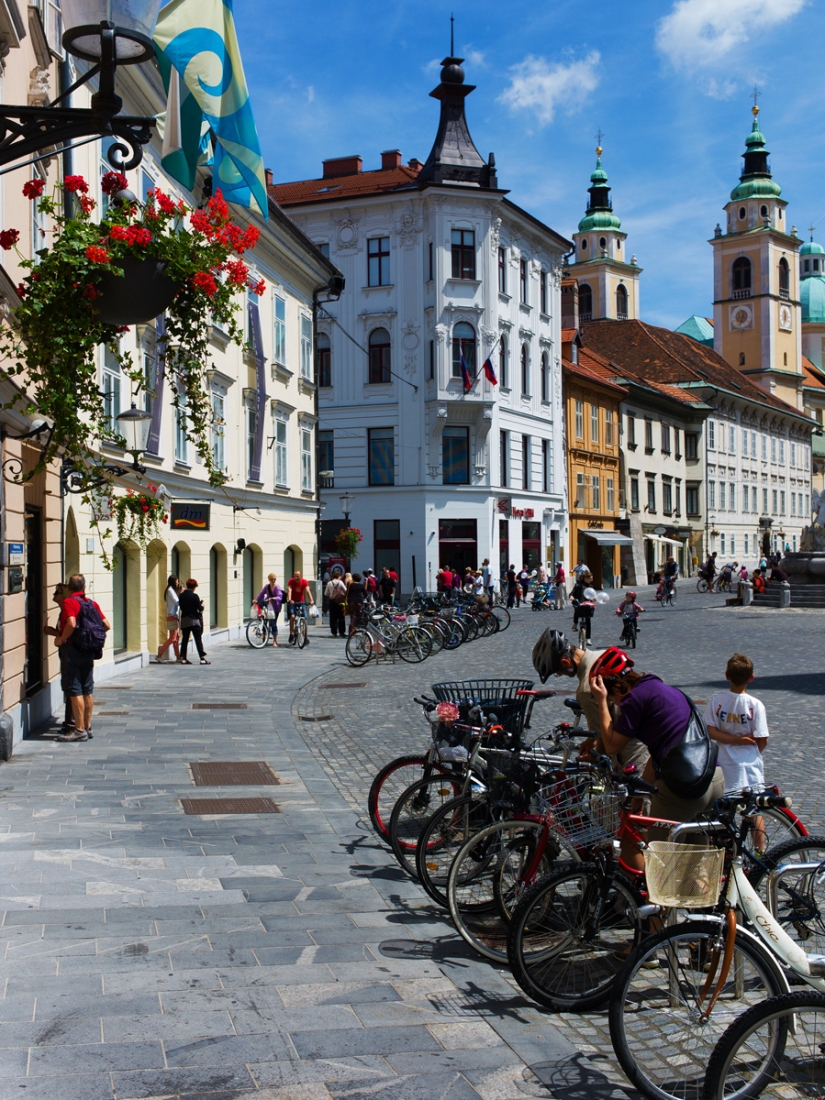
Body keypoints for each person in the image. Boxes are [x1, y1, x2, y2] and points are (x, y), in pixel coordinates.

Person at [589, 647, 725, 869]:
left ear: (617, 688)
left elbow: (612, 745)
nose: (615, 706)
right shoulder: (661, 689)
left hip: (685, 788)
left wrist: (601, 701)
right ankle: (710, 903)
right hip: (713, 777)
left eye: (613, 700)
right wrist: (638, 799)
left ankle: (657, 903)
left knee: (657, 865)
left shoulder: (634, 700)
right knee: (695, 865)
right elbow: (658, 754)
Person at [531, 629, 649, 779]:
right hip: (647, 726)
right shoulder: (603, 655)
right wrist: (592, 740)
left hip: (631, 743)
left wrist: (594, 757)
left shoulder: (586, 689)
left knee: (635, 798)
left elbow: (603, 738)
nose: (560, 675)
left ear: (565, 662)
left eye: (558, 672)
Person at [704, 653, 769, 851]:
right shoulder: (755, 705)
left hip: (725, 763)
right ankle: (760, 853)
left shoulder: (718, 701)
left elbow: (711, 731)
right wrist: (751, 749)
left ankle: (726, 852)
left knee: (726, 811)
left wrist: (732, 740)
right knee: (754, 812)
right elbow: (762, 738)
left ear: (726, 676)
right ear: (751, 677)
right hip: (749, 764)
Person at [54, 574, 111, 741]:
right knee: (87, 689)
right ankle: (87, 726)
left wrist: (62, 639)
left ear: (69, 589)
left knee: (74, 688)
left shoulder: (69, 602)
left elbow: (71, 623)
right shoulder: (92, 603)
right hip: (89, 649)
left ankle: (78, 730)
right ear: (84, 588)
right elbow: (106, 625)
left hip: (73, 649)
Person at [44, 583, 77, 737]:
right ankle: (75, 723)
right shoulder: (63, 610)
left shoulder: (66, 610)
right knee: (74, 687)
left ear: (63, 594)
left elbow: (70, 628)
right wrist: (52, 632)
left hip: (69, 653)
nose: (53, 595)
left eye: (56, 592)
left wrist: (61, 639)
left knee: (71, 687)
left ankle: (72, 724)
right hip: (70, 652)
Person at [179, 579, 209, 664]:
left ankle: (183, 658)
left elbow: (181, 607)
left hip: (184, 619)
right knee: (198, 639)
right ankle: (202, 658)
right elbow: (199, 609)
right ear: (194, 587)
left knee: (185, 639)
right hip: (194, 620)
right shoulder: (194, 596)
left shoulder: (181, 596)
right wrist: (202, 605)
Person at [154, 575, 182, 663]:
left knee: (176, 637)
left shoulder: (171, 590)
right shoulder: (170, 590)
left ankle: (178, 656)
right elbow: (177, 602)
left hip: (174, 616)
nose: (178, 582)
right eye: (177, 581)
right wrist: (181, 593)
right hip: (172, 616)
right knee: (173, 638)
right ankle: (159, 655)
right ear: (173, 581)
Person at [287, 569, 315, 645]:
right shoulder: (291, 581)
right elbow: (289, 590)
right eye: (295, 576)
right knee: (292, 616)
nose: (296, 577)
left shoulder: (304, 582)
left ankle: (305, 635)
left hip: (301, 601)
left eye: (298, 576)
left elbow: (308, 591)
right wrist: (290, 599)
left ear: (301, 576)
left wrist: (311, 600)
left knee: (305, 618)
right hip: (293, 601)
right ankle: (291, 634)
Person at [255, 573, 284, 647]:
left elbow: (280, 596)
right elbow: (261, 594)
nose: (273, 580)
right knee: (264, 622)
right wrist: (256, 599)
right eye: (272, 579)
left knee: (273, 623)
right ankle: (264, 639)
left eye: (274, 579)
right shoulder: (267, 587)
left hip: (275, 607)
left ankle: (275, 641)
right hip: (268, 606)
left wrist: (273, 598)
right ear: (269, 580)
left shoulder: (277, 587)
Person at [571, 571, 595, 645]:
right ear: (586, 578)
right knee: (577, 610)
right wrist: (571, 597)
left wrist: (595, 598)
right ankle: (575, 623)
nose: (592, 580)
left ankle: (588, 639)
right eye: (590, 578)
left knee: (588, 620)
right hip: (579, 602)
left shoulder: (590, 587)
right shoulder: (578, 585)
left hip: (588, 604)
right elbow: (572, 593)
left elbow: (593, 595)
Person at [325, 567, 347, 638]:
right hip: (340, 602)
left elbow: (326, 593)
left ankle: (334, 632)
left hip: (332, 601)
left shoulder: (329, 583)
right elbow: (345, 590)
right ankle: (341, 632)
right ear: (338, 576)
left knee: (333, 617)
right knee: (341, 617)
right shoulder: (340, 582)